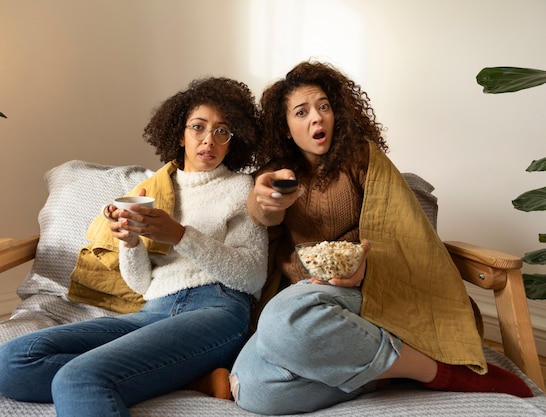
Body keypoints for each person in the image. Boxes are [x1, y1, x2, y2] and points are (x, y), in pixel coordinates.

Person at [225, 61, 533, 415]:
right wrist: (263, 201)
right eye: (302, 111)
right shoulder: (275, 173)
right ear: (284, 125)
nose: (317, 118)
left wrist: (363, 267)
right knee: (253, 390)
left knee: (283, 320)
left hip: (367, 290)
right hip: (306, 294)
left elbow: (400, 232)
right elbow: (265, 218)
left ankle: (439, 373)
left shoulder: (362, 157)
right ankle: (388, 373)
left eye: (324, 106)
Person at [0, 77, 268, 417]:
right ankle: (185, 376)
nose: (209, 139)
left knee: (77, 380)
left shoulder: (241, 188)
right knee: (10, 363)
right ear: (180, 134)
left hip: (215, 311)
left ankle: (166, 371)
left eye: (222, 131)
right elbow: (140, 284)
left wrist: (181, 235)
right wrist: (130, 242)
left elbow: (252, 277)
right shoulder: (151, 191)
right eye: (198, 127)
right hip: (151, 312)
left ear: (233, 141)